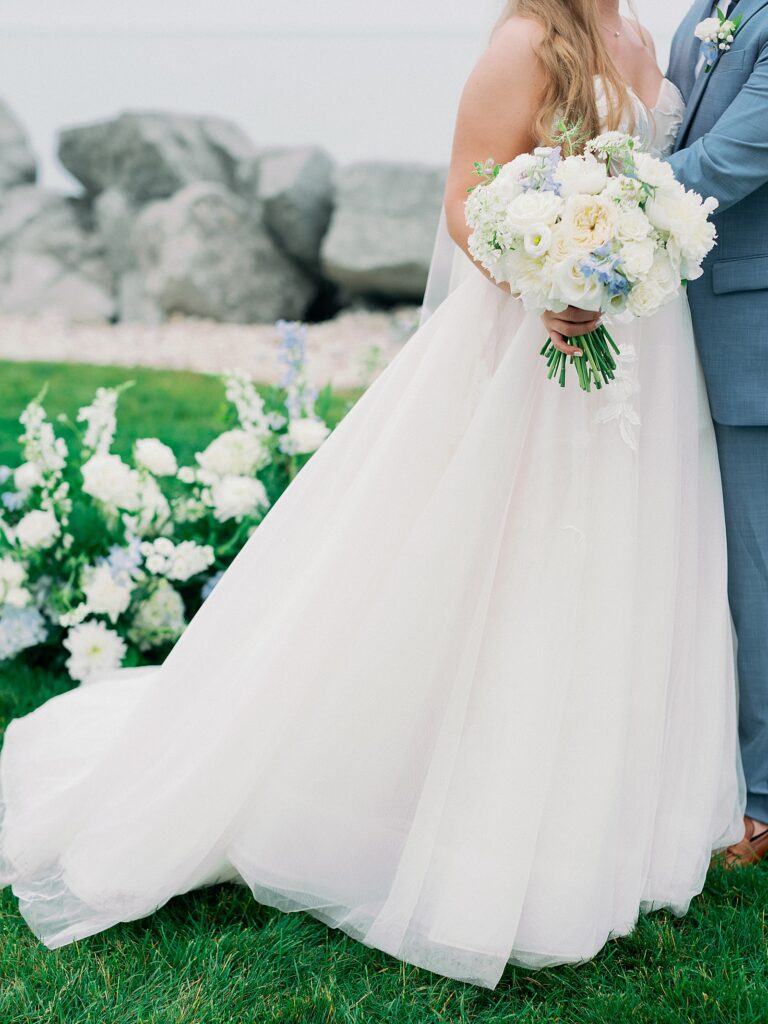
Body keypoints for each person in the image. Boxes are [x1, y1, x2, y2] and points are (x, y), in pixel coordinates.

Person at [0, 0, 746, 990]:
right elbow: (463, 201)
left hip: (643, 351)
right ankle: (437, 793)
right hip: (538, 343)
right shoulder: (527, 41)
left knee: (613, 567)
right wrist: (549, 281)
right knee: (504, 563)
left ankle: (590, 800)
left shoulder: (646, 39)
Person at [551, 0, 768, 868]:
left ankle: (761, 797)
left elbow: (732, 156)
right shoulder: (696, 15)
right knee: (704, 564)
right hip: (676, 334)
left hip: (749, 331)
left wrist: (591, 210)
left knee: (758, 574)